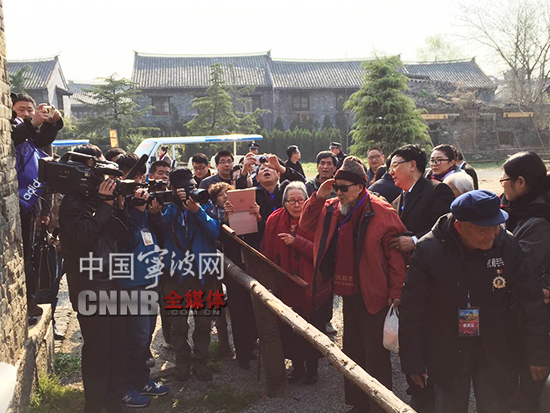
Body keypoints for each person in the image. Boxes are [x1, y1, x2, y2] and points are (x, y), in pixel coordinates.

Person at [399, 190, 550, 413]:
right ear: (460, 227)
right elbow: (412, 308)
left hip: (495, 345)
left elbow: (531, 300)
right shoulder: (429, 249)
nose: (491, 235)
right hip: (446, 346)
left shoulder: (506, 244)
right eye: (483, 230)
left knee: (496, 405)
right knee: (449, 405)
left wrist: (538, 352)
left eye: (495, 226)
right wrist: (413, 360)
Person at [300, 156, 408, 413]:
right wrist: (318, 196)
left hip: (375, 291)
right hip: (347, 290)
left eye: (344, 188)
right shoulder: (332, 207)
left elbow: (395, 256)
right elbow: (305, 224)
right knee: (353, 350)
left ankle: (380, 405)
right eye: (336, 187)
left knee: (375, 352)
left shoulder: (382, 212)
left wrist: (396, 290)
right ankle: (359, 403)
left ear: (361, 187)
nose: (339, 193)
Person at [59, 144, 126, 413]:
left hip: (112, 279)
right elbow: (85, 236)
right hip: (89, 284)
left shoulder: (96, 201)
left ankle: (114, 399)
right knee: (98, 347)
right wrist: (106, 205)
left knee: (116, 342)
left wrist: (119, 206)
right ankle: (95, 405)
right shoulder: (73, 203)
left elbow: (118, 234)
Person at [115, 155, 169, 408]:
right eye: (134, 176)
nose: (139, 181)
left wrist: (155, 214)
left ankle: (142, 380)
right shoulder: (117, 205)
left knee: (145, 336)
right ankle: (126, 387)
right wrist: (137, 210)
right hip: (130, 282)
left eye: (141, 176)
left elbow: (161, 235)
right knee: (132, 339)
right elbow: (122, 240)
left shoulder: (143, 203)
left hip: (150, 277)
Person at [500, 151, 550, 412]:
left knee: (531, 381)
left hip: (533, 310)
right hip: (524, 307)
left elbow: (519, 267)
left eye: (504, 179)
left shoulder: (538, 219)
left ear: (521, 182)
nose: (501, 184)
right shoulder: (519, 208)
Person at [161, 168, 221, 382]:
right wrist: (174, 205)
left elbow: (215, 231)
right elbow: (160, 229)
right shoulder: (166, 206)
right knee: (177, 323)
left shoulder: (204, 203)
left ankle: (201, 360)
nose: (190, 192)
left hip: (204, 273)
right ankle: (182, 361)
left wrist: (198, 211)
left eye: (192, 187)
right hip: (175, 274)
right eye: (184, 189)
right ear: (173, 189)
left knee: (204, 323)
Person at [262, 182, 324, 385]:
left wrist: (296, 242)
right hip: (285, 284)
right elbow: (268, 250)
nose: (297, 205)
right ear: (284, 202)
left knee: (311, 327)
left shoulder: (316, 219)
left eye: (301, 200)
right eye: (292, 200)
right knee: (289, 328)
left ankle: (312, 368)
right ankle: (297, 367)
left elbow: (322, 253)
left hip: (311, 284)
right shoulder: (274, 219)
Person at [11, 93, 63, 319]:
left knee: (29, 253)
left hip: (30, 199)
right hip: (16, 195)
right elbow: (15, 137)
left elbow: (43, 145)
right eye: (21, 109)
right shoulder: (13, 127)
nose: (26, 114)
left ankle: (31, 300)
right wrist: (32, 123)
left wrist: (52, 124)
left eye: (30, 110)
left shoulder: (32, 130)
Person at [389, 144, 455, 254]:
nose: (391, 172)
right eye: (390, 168)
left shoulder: (437, 190)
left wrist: (415, 240)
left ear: (412, 165)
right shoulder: (396, 202)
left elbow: (446, 227)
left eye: (395, 166)